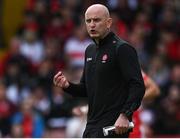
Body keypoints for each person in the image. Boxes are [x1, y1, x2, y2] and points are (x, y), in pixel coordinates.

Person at [53, 4, 145, 138]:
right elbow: (86, 89)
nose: (92, 25)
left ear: (108, 23)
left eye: (96, 20)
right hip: (92, 127)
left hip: (113, 127)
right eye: (88, 21)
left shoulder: (122, 49)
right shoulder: (89, 50)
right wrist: (68, 86)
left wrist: (125, 115)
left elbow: (137, 86)